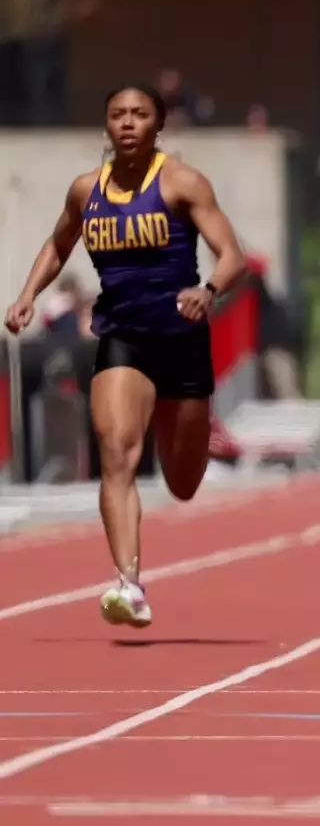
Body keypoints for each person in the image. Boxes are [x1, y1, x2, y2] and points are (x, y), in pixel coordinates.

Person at [4, 85, 248, 628]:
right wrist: (27, 296)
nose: (129, 123)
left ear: (157, 125)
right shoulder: (86, 190)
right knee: (116, 451)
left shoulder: (182, 183)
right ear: (107, 126)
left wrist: (208, 291)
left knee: (183, 483)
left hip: (181, 337)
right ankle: (129, 583)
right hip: (123, 337)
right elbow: (59, 243)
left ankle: (188, 430)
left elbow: (233, 256)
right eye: (118, 115)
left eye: (140, 114)